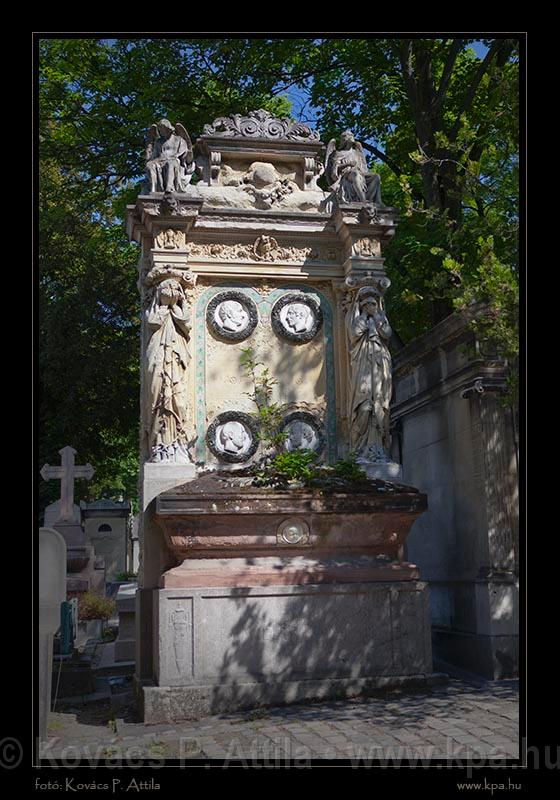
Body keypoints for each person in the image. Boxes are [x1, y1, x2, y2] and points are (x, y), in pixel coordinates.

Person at [145, 278, 191, 462]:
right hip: (159, 356)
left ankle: (178, 443)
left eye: (174, 288)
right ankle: (160, 445)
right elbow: (152, 322)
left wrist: (178, 307)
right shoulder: (156, 311)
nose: (171, 291)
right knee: (158, 392)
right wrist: (164, 307)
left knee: (177, 398)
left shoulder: (179, 312)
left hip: (176, 359)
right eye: (166, 288)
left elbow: (186, 323)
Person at [346, 286, 392, 455]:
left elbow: (387, 334)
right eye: (368, 303)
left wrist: (377, 319)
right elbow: (354, 334)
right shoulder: (359, 320)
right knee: (364, 406)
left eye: (374, 302)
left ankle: (377, 446)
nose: (372, 305)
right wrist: (365, 316)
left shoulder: (380, 319)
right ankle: (358, 447)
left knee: (380, 404)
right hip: (362, 363)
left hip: (380, 363)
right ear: (362, 305)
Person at [325, 131, 382, 204]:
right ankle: (363, 199)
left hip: (359, 173)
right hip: (345, 176)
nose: (352, 136)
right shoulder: (338, 153)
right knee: (355, 174)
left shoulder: (356, 152)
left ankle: (377, 201)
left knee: (376, 176)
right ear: (344, 139)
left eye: (352, 135)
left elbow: (363, 168)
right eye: (349, 135)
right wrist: (348, 164)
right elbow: (335, 168)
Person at [145, 119, 194, 193]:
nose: (160, 132)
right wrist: (151, 159)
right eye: (160, 130)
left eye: (162, 130)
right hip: (160, 161)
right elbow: (154, 156)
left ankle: (169, 187)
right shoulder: (159, 142)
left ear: (167, 128)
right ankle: (153, 189)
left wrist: (188, 155)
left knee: (170, 163)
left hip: (174, 161)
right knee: (150, 165)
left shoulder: (179, 140)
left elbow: (184, 154)